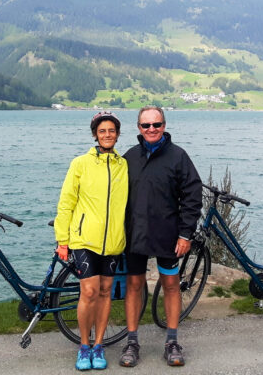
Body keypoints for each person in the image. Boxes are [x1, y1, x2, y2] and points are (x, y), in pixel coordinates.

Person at [120, 106, 202, 368]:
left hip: (168, 234)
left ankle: (172, 341)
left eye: (156, 124)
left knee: (170, 285)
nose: (152, 129)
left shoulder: (178, 157)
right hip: (134, 234)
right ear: (139, 128)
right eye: (146, 125)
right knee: (134, 286)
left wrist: (185, 233)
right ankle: (132, 341)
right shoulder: (129, 157)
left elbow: (192, 195)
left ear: (164, 126)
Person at [55, 111, 129, 371]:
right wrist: (62, 239)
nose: (107, 135)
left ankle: (99, 346)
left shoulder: (124, 165)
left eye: (111, 131)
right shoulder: (80, 164)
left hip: (113, 242)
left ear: (118, 134)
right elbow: (66, 203)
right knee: (88, 292)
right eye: (102, 131)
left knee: (105, 292)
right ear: (95, 135)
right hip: (84, 240)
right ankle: (83, 346)